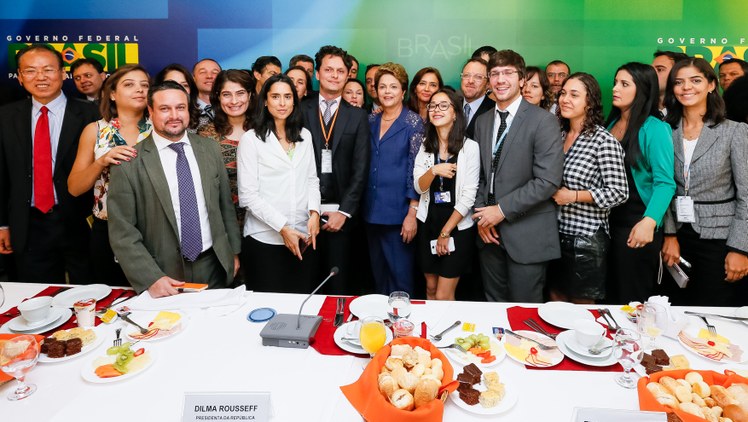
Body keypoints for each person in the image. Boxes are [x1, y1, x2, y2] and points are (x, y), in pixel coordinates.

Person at [108, 81, 241, 296]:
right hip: (163, 274)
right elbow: (122, 232)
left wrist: (232, 252)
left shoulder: (210, 149)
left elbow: (225, 205)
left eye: (180, 107)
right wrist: (150, 277)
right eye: (164, 109)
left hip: (214, 266)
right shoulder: (128, 164)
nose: (174, 115)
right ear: (150, 111)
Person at [0, 45, 98, 283]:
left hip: (81, 221)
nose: (40, 77)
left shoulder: (92, 114)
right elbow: (1, 174)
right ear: (20, 77)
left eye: (48, 69)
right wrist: (2, 224)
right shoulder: (5, 116)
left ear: (63, 73)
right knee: (38, 295)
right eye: (31, 71)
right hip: (29, 224)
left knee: (90, 293)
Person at [473, 49, 564, 303]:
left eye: (508, 73)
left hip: (527, 234)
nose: (500, 80)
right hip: (488, 233)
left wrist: (500, 210)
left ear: (522, 79)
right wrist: (482, 216)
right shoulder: (482, 122)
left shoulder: (543, 121)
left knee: (523, 312)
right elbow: (479, 174)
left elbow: (547, 181)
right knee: (493, 307)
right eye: (494, 74)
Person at [660, 57, 748, 306]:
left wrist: (740, 249)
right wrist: (669, 235)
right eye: (679, 82)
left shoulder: (734, 131)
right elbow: (663, 185)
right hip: (677, 236)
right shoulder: (665, 130)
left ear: (711, 85)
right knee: (675, 309)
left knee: (714, 310)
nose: (686, 87)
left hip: (720, 239)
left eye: (695, 80)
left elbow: (746, 195)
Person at [68, 64, 152, 286]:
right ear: (112, 94)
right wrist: (101, 161)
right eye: (129, 84)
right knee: (113, 294)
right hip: (109, 229)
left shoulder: (161, 128)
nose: (140, 89)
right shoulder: (95, 130)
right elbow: (74, 188)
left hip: (156, 227)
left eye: (145, 85)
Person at [549, 73, 628, 304]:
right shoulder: (558, 135)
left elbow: (619, 192)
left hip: (585, 238)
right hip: (553, 234)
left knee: (581, 307)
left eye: (574, 95)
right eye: (563, 93)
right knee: (554, 300)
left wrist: (574, 196)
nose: (565, 99)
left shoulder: (603, 141)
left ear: (590, 102)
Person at [237, 74, 320, 293]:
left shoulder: (304, 136)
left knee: (300, 303)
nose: (282, 103)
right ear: (265, 101)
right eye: (275, 97)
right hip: (265, 240)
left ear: (295, 101)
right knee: (268, 306)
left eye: (287, 97)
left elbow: (312, 179)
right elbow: (248, 196)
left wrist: (314, 213)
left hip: (302, 237)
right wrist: (283, 227)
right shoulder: (251, 139)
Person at [300, 45, 370, 294]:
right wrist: (310, 209)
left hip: (341, 215)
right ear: (317, 74)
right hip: (304, 214)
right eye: (328, 69)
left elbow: (361, 168)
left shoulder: (357, 116)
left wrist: (345, 211)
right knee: (305, 282)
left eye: (340, 71)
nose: (334, 75)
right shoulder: (300, 110)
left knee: (338, 284)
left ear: (348, 75)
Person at [605, 62, 676, 303]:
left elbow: (665, 183)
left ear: (643, 90)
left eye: (624, 84)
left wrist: (649, 221)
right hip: (607, 224)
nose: (615, 88)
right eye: (616, 82)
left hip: (636, 225)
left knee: (630, 300)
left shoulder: (655, 129)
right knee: (607, 297)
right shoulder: (611, 124)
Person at [364, 62, 424, 295]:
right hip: (371, 212)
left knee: (401, 279)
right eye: (382, 87)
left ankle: (402, 319)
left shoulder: (413, 123)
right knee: (378, 278)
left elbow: (415, 170)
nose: (387, 91)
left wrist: (412, 213)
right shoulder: (371, 121)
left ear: (403, 91)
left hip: (399, 215)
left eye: (393, 86)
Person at [413, 89, 479, 300]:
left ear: (455, 113)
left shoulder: (470, 148)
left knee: (443, 295)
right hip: (428, 222)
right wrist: (434, 170)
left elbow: (468, 197)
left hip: (456, 227)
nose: (436, 110)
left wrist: (445, 233)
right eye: (433, 105)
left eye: (443, 105)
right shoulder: (425, 146)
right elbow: (419, 187)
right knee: (430, 288)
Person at [197, 69, 256, 229]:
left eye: (240, 93)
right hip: (222, 222)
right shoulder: (206, 135)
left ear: (250, 95)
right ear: (218, 97)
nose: (234, 101)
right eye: (226, 94)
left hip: (262, 222)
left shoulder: (264, 131)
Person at [154, 63, 201, 131]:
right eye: (171, 85)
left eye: (184, 85)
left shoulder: (203, 122)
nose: (179, 89)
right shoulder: (147, 123)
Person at [460, 58, 494, 140]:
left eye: (478, 77)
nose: (471, 81)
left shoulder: (494, 110)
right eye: (466, 75)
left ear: (488, 84)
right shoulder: (452, 106)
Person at [651, 50, 689, 114]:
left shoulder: (689, 114)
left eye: (660, 69)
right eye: (650, 69)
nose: (651, 73)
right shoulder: (639, 110)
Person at [193, 58, 222, 126]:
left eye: (215, 72)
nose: (209, 76)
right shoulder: (186, 108)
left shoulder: (230, 107)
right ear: (193, 78)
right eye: (203, 72)